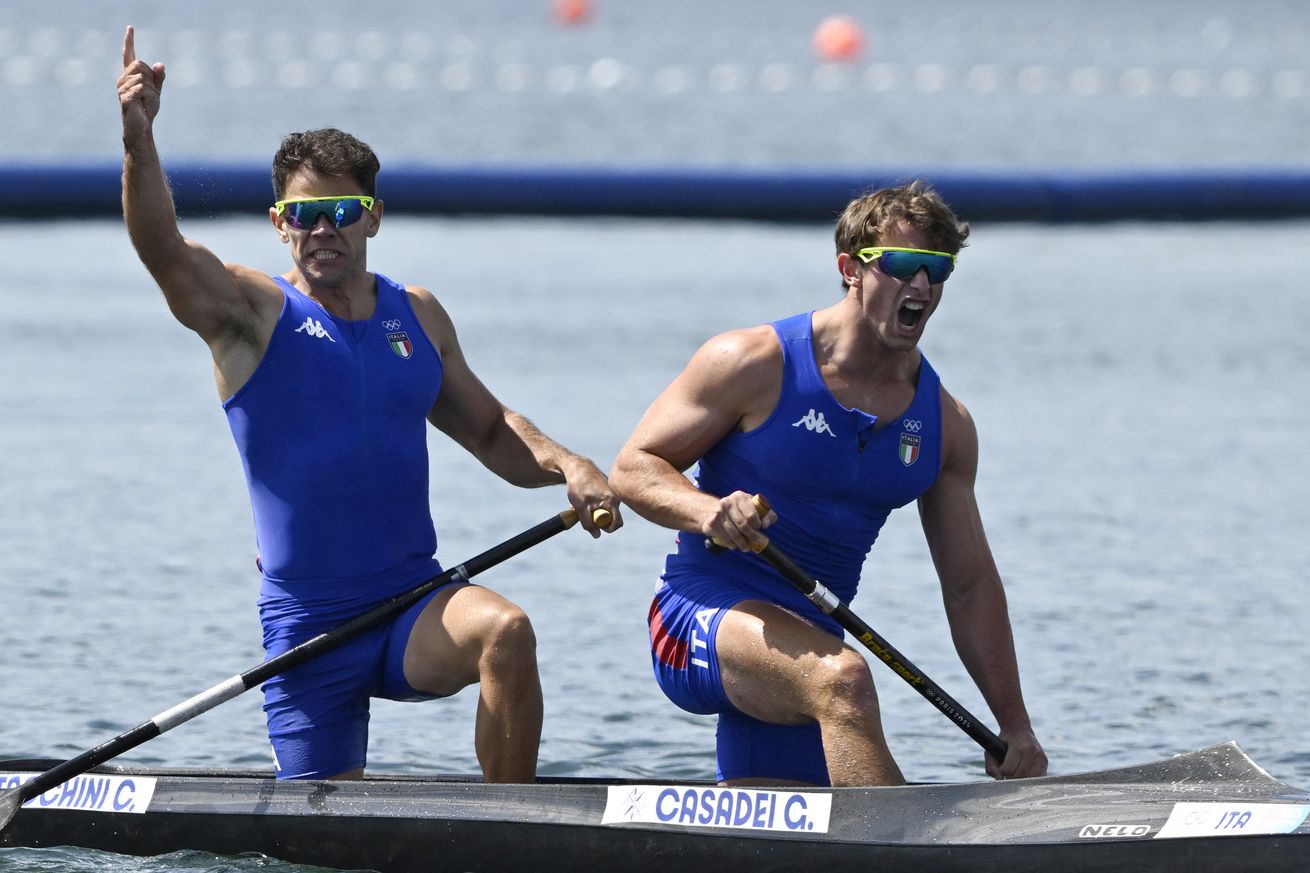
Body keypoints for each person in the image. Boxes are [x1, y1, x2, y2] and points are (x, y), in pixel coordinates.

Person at [116, 26, 620, 783]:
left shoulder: (416, 316)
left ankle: (514, 827)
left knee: (506, 631)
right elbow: (162, 246)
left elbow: (490, 431)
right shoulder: (251, 316)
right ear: (279, 223)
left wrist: (570, 467)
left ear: (373, 217)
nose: (323, 230)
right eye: (304, 215)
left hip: (413, 604)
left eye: (342, 211)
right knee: (316, 836)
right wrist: (138, 138)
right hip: (309, 628)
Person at [609, 181, 1046, 787]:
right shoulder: (752, 362)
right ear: (851, 269)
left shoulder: (946, 426)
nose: (919, 286)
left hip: (808, 641)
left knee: (776, 830)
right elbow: (633, 467)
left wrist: (1015, 726)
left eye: (935, 269)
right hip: (696, 617)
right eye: (900, 265)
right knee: (845, 681)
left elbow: (969, 587)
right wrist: (705, 509)